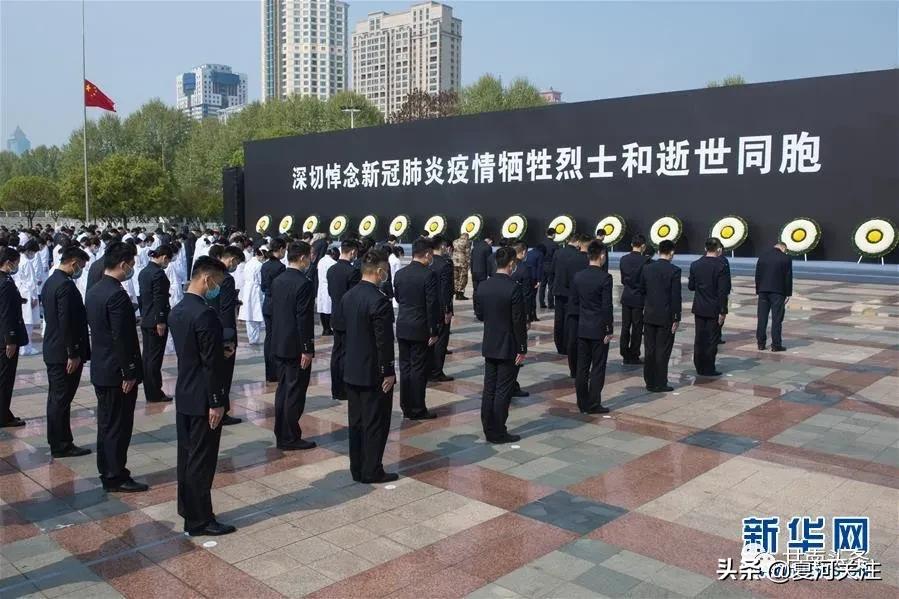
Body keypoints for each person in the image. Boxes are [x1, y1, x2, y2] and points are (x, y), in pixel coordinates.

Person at [169, 257, 235, 537]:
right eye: (217, 283)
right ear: (207, 279)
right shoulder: (205, 314)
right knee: (201, 460)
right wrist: (218, 401)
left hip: (185, 391)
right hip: (203, 397)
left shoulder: (178, 310)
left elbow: (194, 354)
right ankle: (200, 519)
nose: (217, 289)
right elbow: (210, 363)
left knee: (187, 456)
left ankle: (188, 508)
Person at [85, 242, 148, 492]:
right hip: (116, 372)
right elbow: (122, 338)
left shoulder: (95, 290)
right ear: (123, 265)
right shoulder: (117, 295)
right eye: (131, 265)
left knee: (107, 424)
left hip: (102, 367)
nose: (131, 269)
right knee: (118, 426)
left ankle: (108, 470)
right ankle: (115, 474)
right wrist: (130, 370)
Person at [341, 249, 397, 484]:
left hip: (352, 369)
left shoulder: (349, 296)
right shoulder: (379, 300)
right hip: (373, 371)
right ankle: (372, 469)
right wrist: (388, 371)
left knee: (356, 422)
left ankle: (357, 467)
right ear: (380, 271)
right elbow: (383, 342)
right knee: (375, 422)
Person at [41, 246, 92, 456]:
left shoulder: (51, 282)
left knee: (57, 398)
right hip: (63, 352)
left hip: (52, 347)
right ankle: (61, 443)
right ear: (73, 263)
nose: (80, 270)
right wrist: (72, 352)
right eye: (80, 265)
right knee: (61, 399)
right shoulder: (65, 286)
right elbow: (66, 322)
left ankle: (59, 440)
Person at [474, 246, 527, 444]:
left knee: (489, 388)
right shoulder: (513, 288)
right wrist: (522, 348)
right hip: (508, 345)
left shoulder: (483, 286)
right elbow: (518, 322)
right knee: (503, 390)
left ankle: (488, 427)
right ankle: (498, 430)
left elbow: (480, 314)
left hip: (490, 342)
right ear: (512, 263)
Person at [271, 242, 318, 450]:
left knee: (283, 390)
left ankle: (282, 433)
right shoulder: (304, 283)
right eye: (309, 256)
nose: (310, 260)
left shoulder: (278, 279)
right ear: (302, 258)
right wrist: (307, 348)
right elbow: (303, 319)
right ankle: (290, 435)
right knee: (295, 392)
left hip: (280, 342)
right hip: (296, 346)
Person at [394, 238, 439, 420]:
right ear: (427, 254)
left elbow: (397, 297)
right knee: (419, 369)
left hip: (403, 324)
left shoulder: (400, 274)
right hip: (420, 327)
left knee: (405, 368)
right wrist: (434, 330)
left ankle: (406, 406)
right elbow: (432, 305)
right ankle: (418, 407)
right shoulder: (428, 275)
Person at [570, 241, 613, 414]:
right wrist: (609, 328)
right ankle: (593, 402)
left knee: (582, 368)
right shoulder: (605, 277)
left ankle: (582, 402)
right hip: (598, 328)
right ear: (602, 255)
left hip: (582, 326)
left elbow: (574, 302)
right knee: (598, 367)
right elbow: (606, 306)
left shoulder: (578, 276)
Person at [209, 246, 245, 426]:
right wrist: (229, 339)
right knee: (224, 374)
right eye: (236, 262)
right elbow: (225, 310)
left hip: (209, 327)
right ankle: (222, 410)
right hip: (223, 331)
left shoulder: (209, 273)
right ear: (231, 259)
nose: (235, 266)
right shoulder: (226, 279)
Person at [641, 240, 681, 392]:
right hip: (666, 316)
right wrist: (676, 317)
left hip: (650, 314)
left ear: (658, 252)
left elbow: (642, 289)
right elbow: (675, 297)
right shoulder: (674, 270)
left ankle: (649, 380)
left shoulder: (647, 269)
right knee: (663, 350)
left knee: (650, 349)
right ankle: (660, 381)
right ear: (671, 252)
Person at [688, 238, 729, 377]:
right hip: (714, 308)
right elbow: (723, 291)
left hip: (699, 306)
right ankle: (708, 367)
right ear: (718, 249)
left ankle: (699, 365)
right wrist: (723, 310)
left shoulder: (695, 264)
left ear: (705, 249)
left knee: (699, 337)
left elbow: (691, 286)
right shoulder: (721, 265)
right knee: (712, 339)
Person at [138, 245, 173, 403]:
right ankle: (154, 392)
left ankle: (150, 390)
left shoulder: (144, 272)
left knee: (148, 357)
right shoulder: (158, 274)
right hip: (155, 320)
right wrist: (160, 320)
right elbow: (160, 299)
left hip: (146, 318)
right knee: (154, 358)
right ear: (164, 257)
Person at [327, 240, 360, 401]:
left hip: (335, 314)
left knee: (336, 353)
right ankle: (344, 389)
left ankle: (336, 388)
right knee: (346, 353)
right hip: (348, 317)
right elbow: (353, 298)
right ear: (352, 252)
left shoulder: (332, 269)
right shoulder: (353, 272)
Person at [0, 248, 28, 428]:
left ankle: (5, 412)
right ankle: (3, 416)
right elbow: (6, 314)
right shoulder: (5, 283)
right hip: (5, 339)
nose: (17, 266)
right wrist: (10, 339)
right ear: (8, 262)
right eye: (16, 262)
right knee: (5, 379)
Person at [755, 241, 793, 351]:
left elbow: (758, 274)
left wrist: (758, 290)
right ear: (783, 248)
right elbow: (788, 277)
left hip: (763, 291)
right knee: (777, 319)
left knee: (762, 318)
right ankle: (776, 345)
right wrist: (788, 294)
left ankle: (761, 343)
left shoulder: (762, 256)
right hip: (778, 292)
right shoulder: (786, 258)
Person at [619, 235, 651, 365]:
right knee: (637, 327)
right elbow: (646, 281)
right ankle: (634, 354)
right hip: (639, 297)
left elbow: (622, 279)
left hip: (626, 296)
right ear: (643, 246)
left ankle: (624, 353)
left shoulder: (624, 259)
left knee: (625, 326)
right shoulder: (646, 261)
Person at [563, 234, 591, 377]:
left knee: (572, 339)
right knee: (587, 340)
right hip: (589, 306)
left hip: (573, 304)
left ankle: (573, 369)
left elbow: (567, 282)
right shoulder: (591, 261)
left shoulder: (570, 260)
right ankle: (584, 369)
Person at [428, 235, 455, 383]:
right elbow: (446, 290)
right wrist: (447, 310)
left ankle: (428, 369)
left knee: (429, 339)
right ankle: (436, 371)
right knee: (440, 341)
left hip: (428, 307)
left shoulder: (428, 262)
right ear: (442, 246)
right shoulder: (445, 264)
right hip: (440, 308)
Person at [260, 238, 287, 383]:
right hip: (276, 304)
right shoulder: (280, 267)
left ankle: (269, 372)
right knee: (275, 338)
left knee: (268, 338)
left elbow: (264, 286)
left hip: (267, 303)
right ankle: (276, 371)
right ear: (281, 249)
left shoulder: (265, 265)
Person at [510, 241, 534, 398]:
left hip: (503, 314)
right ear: (524, 252)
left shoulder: (503, 266)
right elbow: (527, 295)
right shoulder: (525, 269)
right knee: (518, 347)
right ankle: (512, 384)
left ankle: (510, 383)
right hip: (519, 314)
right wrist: (528, 317)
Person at [551, 234, 581, 355]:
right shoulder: (577, 255)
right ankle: (567, 344)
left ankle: (559, 345)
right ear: (578, 242)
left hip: (558, 290)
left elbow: (552, 270)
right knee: (569, 320)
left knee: (558, 319)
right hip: (570, 291)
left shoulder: (558, 252)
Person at [14, 240, 41, 356]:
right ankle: (27, 348)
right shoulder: (27, 262)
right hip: (27, 293)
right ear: (30, 251)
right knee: (28, 322)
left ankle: (24, 347)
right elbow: (30, 282)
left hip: (20, 291)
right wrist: (34, 297)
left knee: (23, 320)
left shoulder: (19, 260)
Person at [239, 248, 266, 344]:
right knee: (256, 313)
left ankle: (251, 337)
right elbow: (260, 279)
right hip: (255, 289)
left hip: (247, 289)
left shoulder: (248, 263)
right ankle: (255, 338)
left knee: (249, 313)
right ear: (261, 256)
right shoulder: (259, 265)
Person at [316, 244, 336, 335]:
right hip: (328, 286)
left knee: (322, 309)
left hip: (321, 287)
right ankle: (328, 329)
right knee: (328, 309)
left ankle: (325, 328)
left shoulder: (321, 261)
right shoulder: (333, 263)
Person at [524, 244, 545, 321]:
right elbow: (539, 267)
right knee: (533, 297)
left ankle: (528, 315)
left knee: (528, 297)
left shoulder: (528, 253)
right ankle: (533, 315)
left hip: (527, 276)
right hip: (534, 278)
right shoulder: (540, 254)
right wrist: (539, 280)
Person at [539, 229, 558, 310]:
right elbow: (556, 257)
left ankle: (541, 303)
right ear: (553, 234)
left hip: (542, 266)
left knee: (542, 286)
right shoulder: (555, 245)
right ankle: (550, 304)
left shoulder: (542, 243)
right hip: (551, 267)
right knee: (551, 286)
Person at [452, 233, 471, 300]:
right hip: (462, 261)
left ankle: (456, 292)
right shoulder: (467, 242)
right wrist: (469, 263)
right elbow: (468, 253)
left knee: (455, 278)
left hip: (454, 261)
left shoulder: (455, 241)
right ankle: (460, 294)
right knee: (463, 277)